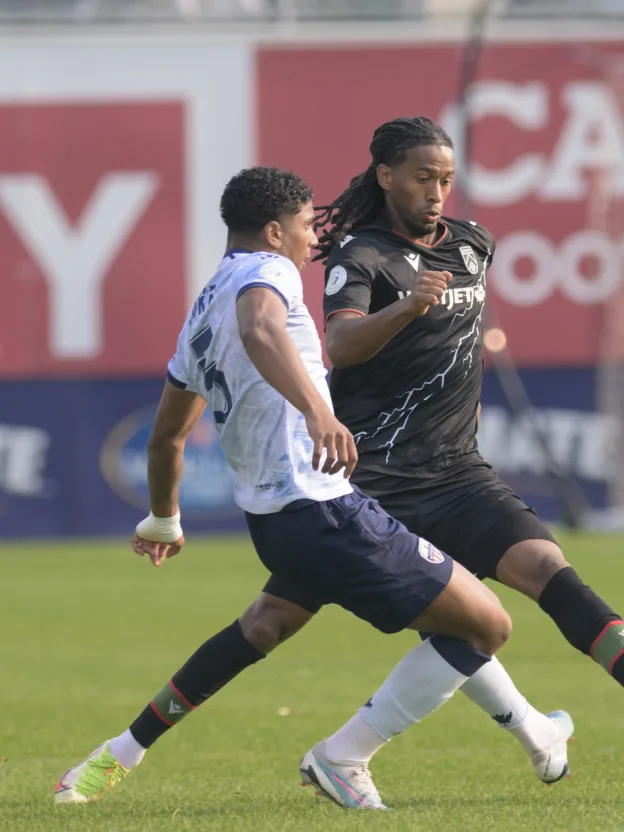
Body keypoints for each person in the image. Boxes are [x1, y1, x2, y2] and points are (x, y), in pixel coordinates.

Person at [54, 165, 524, 811]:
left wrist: (163, 519)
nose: (313, 239)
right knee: (485, 626)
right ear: (274, 231)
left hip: (275, 523)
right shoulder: (267, 273)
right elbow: (260, 327)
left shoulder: (202, 310)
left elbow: (165, 440)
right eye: (305, 225)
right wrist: (317, 412)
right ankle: (343, 757)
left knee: (263, 625)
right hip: (321, 508)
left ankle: (120, 751)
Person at [314, 117, 624, 707]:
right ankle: (137, 743)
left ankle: (535, 736)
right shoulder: (363, 254)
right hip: (376, 480)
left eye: (446, 179)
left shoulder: (473, 244)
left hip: (457, 473)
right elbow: (342, 345)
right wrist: (406, 308)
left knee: (548, 568)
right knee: (273, 621)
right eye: (422, 178)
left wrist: (467, 397)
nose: (435, 193)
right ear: (386, 177)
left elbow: (459, 333)